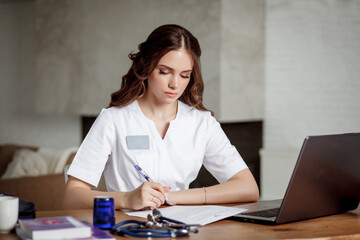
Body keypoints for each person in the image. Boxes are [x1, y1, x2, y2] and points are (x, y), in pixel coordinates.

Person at [63, 24, 259, 210]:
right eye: (165, 72)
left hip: (183, 228)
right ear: (147, 67)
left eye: (185, 75)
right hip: (128, 229)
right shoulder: (114, 120)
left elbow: (248, 188)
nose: (175, 84)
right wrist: (127, 198)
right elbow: (72, 197)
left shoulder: (202, 123)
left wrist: (171, 197)